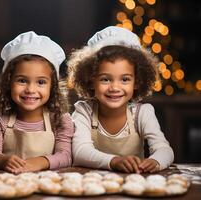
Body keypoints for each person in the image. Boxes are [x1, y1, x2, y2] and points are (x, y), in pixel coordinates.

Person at [68, 26, 174, 173]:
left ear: (137, 82)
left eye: (125, 79)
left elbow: (164, 149)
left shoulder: (142, 113)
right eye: (105, 79)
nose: (115, 87)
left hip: (135, 185)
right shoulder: (84, 111)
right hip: (93, 185)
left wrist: (155, 161)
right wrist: (114, 161)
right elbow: (80, 152)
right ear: (91, 80)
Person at [0, 31, 74, 174]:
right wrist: (2, 160)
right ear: (8, 83)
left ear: (52, 86)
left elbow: (66, 156)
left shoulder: (60, 120)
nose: (30, 89)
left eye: (40, 82)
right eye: (22, 80)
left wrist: (40, 162)